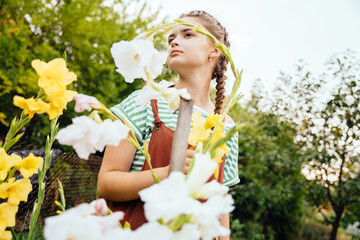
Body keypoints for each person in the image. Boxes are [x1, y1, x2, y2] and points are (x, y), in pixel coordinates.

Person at [97, 10, 239, 239]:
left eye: (188, 34)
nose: (174, 41)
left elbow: (220, 206)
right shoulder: (145, 101)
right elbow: (106, 183)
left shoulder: (225, 126)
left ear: (215, 49)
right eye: (171, 37)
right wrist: (168, 172)